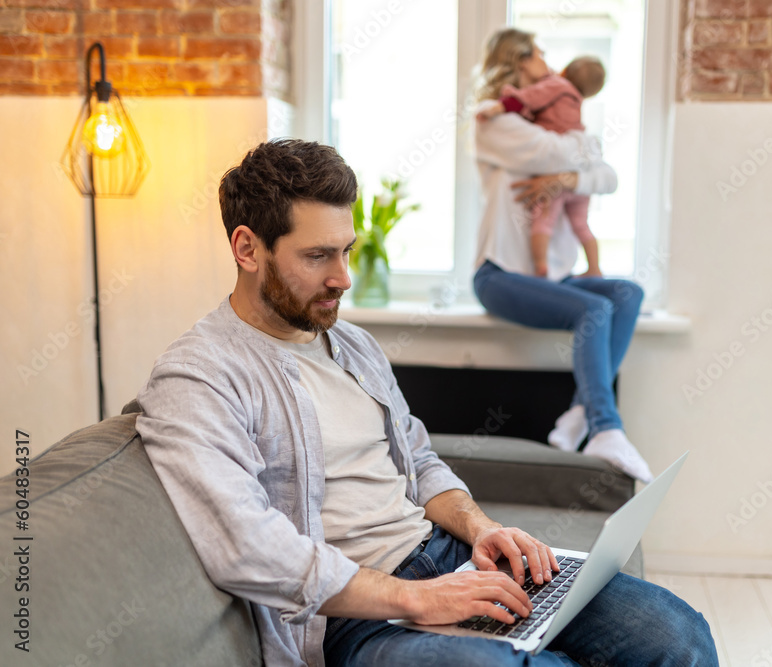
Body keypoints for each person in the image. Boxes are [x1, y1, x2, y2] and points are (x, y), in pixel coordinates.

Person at [136, 139, 717, 666]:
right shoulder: (198, 375)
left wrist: (480, 528)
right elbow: (244, 547)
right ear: (247, 248)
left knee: (678, 635)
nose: (343, 278)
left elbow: (418, 459)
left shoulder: (354, 346)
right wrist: (418, 599)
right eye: (317, 256)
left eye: (347, 251)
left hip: (451, 557)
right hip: (357, 618)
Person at [472, 28, 653, 483]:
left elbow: (608, 176)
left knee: (627, 294)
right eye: (538, 53)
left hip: (553, 277)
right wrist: (581, 158)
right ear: (519, 61)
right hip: (500, 275)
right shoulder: (494, 122)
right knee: (594, 309)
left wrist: (566, 180)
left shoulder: (548, 119)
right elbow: (561, 151)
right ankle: (605, 427)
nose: (547, 60)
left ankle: (578, 413)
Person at [478, 55, 607, 278]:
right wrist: (580, 171)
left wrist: (500, 107)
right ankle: (594, 268)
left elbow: (528, 98)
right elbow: (596, 158)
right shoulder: (575, 100)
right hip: (579, 180)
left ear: (564, 71)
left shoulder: (556, 86)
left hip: (556, 177)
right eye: (537, 55)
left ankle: (541, 266)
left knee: (543, 221)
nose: (545, 61)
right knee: (581, 224)